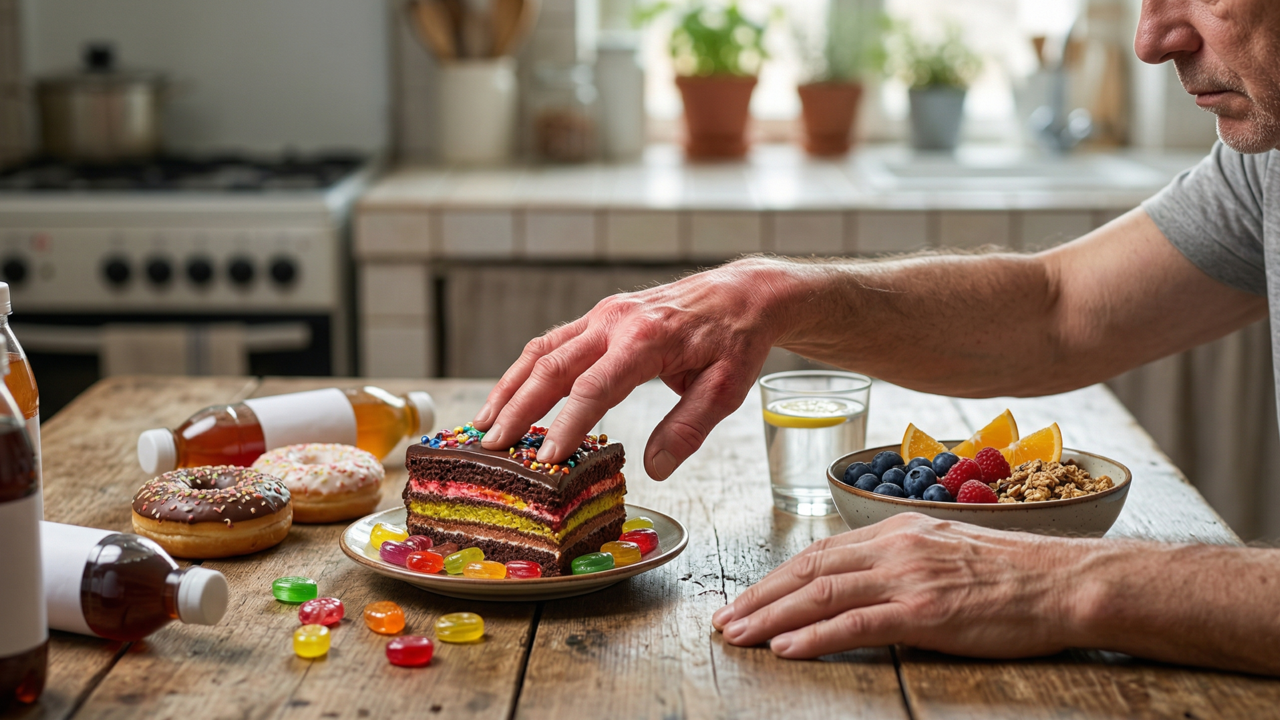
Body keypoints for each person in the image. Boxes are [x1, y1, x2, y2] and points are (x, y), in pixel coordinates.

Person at [472, 0, 1280, 675]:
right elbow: (1058, 310)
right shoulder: (1265, 162)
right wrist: (778, 295)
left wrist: (1068, 585)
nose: (1151, 39)